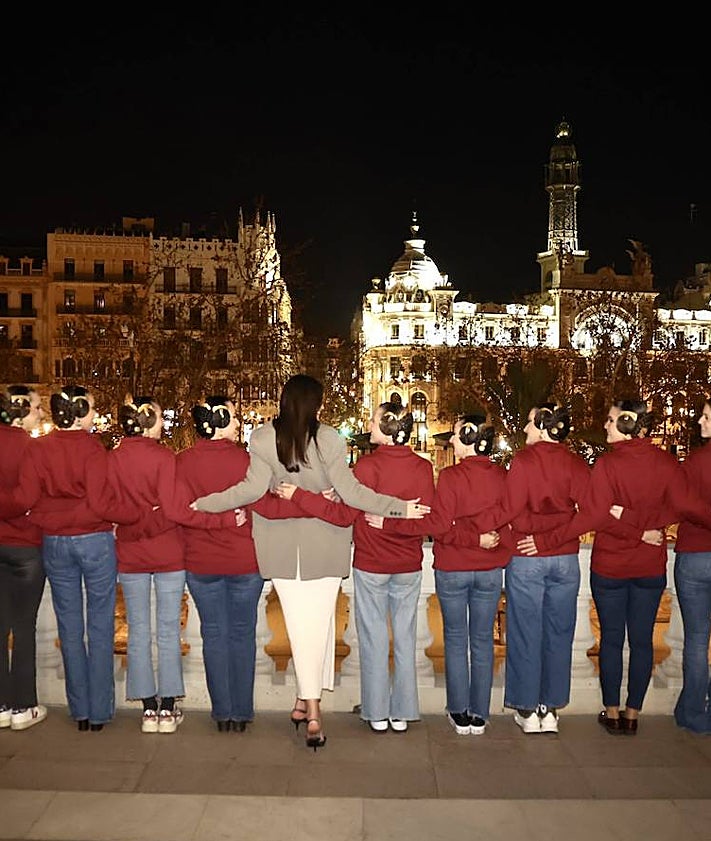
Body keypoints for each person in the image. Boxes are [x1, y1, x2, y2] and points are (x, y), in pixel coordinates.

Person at [191, 374, 429, 751]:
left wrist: (206, 502)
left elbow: (250, 492)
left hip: (280, 548)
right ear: (316, 404)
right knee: (314, 628)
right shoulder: (330, 439)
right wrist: (399, 508)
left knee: (307, 629)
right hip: (327, 546)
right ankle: (313, 709)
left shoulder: (264, 437)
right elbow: (353, 494)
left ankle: (306, 703)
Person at [517, 399, 685, 736]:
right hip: (650, 565)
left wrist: (628, 520)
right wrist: (649, 530)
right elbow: (682, 506)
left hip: (610, 565)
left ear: (625, 423)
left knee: (610, 640)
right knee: (641, 641)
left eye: (609, 420)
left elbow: (597, 514)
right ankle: (632, 714)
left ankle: (610, 712)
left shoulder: (607, 465)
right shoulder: (666, 463)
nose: (605, 425)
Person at [275, 400, 436, 734]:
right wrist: (388, 518)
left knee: (374, 639)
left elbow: (343, 516)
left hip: (372, 564)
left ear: (388, 429)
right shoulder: (422, 468)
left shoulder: (367, 467)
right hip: (408, 565)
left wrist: (300, 497)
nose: (370, 426)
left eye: (375, 422)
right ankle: (403, 712)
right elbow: (424, 521)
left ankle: (377, 712)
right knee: (405, 639)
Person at [0, 385, 139, 732]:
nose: (95, 415)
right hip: (93, 541)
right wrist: (135, 512)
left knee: (70, 626)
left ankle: (78, 710)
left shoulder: (38, 448)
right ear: (79, 412)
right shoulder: (93, 449)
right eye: (91, 409)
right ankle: (99, 711)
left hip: (55, 542)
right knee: (100, 623)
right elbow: (100, 503)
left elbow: (27, 496)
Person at [368, 414, 513, 736]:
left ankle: (459, 711)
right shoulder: (503, 476)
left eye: (457, 435)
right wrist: (482, 534)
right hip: (489, 568)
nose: (451, 441)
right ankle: (480, 714)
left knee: (457, 639)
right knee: (482, 642)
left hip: (454, 567)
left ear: (470, 439)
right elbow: (507, 515)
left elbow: (437, 526)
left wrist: (390, 523)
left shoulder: (450, 476)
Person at [108, 396, 240, 734]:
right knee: (168, 630)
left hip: (131, 553)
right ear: (152, 421)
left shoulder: (114, 458)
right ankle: (168, 706)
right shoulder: (166, 458)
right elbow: (177, 511)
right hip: (167, 553)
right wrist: (222, 522)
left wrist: (134, 527)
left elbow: (108, 506)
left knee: (137, 630)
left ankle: (147, 708)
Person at [0, 385, 47, 731]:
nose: (42, 413)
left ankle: (1, 704)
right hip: (25, 545)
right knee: (24, 626)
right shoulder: (30, 449)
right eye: (36, 407)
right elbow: (28, 497)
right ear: (20, 411)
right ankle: (23, 705)